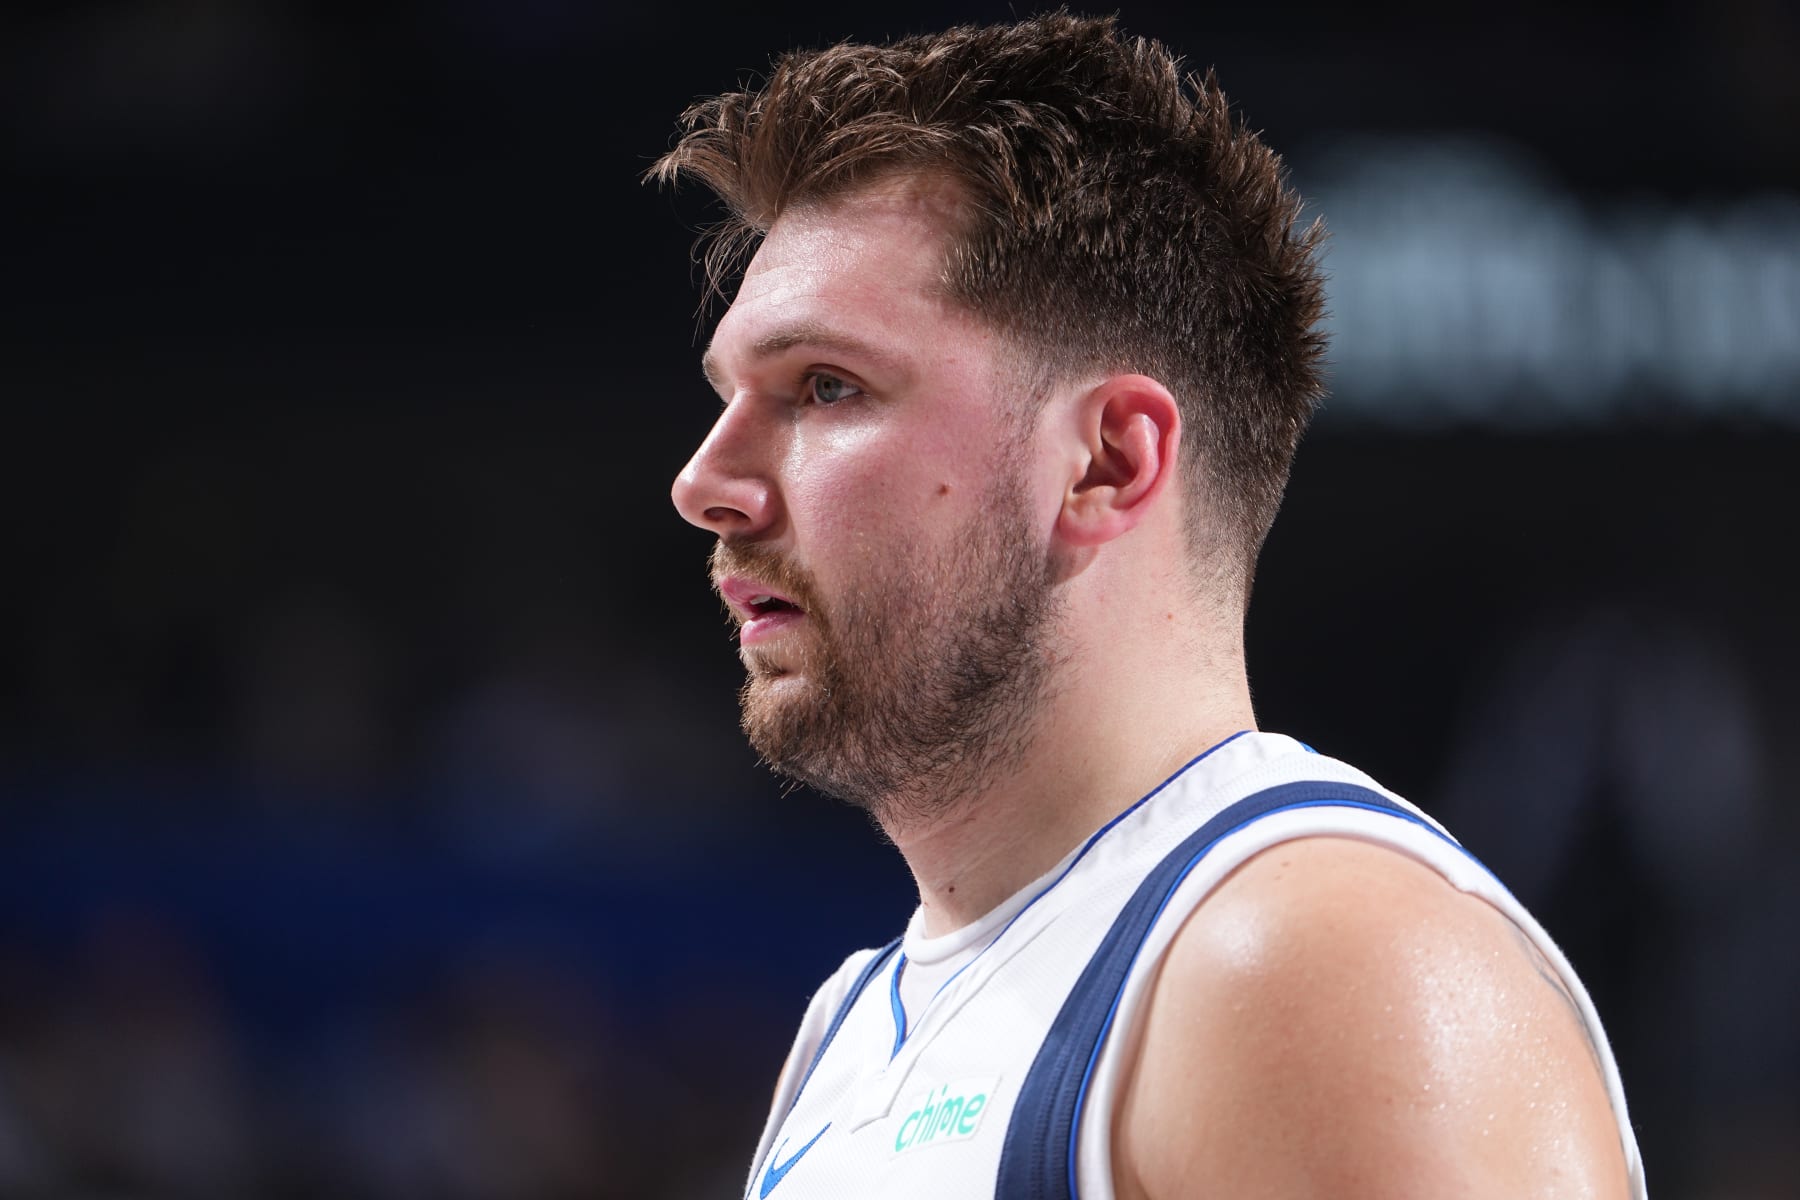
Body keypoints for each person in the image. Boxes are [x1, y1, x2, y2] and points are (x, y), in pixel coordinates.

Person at [651, 12, 1647, 1199]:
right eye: (728, 396)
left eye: (825, 386)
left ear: (1110, 463)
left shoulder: (1305, 961)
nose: (703, 482)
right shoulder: (851, 1033)